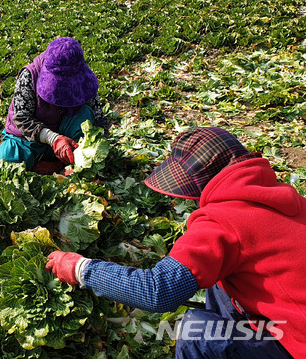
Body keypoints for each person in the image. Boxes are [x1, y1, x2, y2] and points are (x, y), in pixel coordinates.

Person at [45, 127, 305, 358]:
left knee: (197, 333)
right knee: (217, 279)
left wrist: (81, 268)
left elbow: (157, 292)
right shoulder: (283, 197)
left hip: (296, 345)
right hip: (291, 319)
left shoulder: (223, 220)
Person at [0, 37, 110, 174]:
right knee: (5, 164)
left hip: (68, 136)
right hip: (30, 141)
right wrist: (53, 139)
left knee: (85, 115)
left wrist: (90, 152)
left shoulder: (84, 79)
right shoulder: (29, 76)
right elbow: (21, 117)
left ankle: (61, 162)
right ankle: (5, 157)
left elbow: (98, 118)